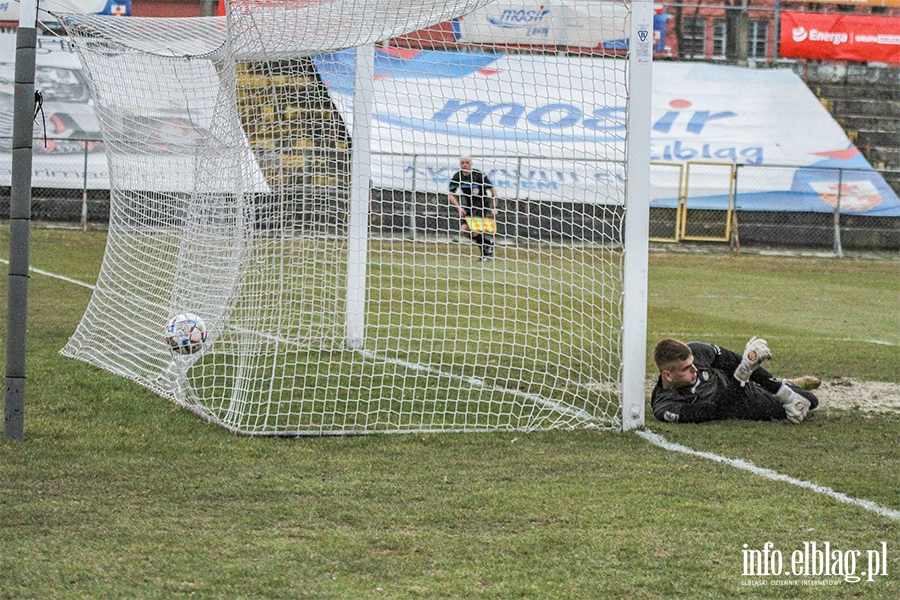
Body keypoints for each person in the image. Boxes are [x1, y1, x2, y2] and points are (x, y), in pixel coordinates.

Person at [651, 337, 821, 424]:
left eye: (692, 363)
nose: (694, 369)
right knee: (810, 400)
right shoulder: (666, 407)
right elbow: (717, 411)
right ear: (667, 375)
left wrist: (782, 392)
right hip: (739, 402)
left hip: (740, 379)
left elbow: (734, 361)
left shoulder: (697, 351)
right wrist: (743, 373)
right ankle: (790, 385)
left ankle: (783, 384)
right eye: (686, 369)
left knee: (795, 397)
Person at [448, 155, 499, 261]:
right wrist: (458, 207)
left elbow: (492, 191)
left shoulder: (478, 175)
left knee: (474, 229)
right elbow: (451, 195)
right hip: (469, 206)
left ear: (471, 164)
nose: (465, 165)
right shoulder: (458, 176)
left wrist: (494, 207)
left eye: (467, 163)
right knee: (464, 230)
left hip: (482, 204)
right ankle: (488, 244)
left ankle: (484, 254)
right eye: (462, 163)